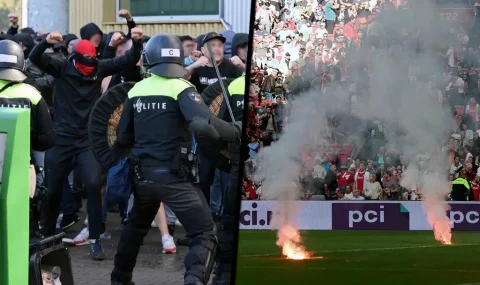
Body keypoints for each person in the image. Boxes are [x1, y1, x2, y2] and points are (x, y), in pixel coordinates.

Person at [110, 34, 242, 285]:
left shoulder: (137, 90)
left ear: (149, 59)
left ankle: (120, 279)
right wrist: (234, 130)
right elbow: (203, 125)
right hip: (174, 177)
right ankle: (193, 279)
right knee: (204, 232)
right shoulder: (181, 88)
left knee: (134, 230)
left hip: (142, 177)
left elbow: (123, 136)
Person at [31, 28, 144, 260]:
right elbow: (34, 57)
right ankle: (48, 237)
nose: (88, 70)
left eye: (92, 65)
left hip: (87, 139)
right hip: (61, 138)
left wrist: (138, 41)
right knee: (52, 191)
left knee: (93, 185)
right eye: (85, 66)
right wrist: (44, 42)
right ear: (76, 59)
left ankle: (95, 239)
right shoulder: (61, 67)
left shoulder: (99, 66)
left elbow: (129, 58)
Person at [0, 39, 55, 236]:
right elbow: (48, 140)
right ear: (21, 65)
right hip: (22, 168)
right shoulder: (32, 94)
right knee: (26, 220)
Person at [212, 33, 248, 283]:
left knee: (230, 218)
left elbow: (220, 127)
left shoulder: (234, 86)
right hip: (273, 165)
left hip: (238, 162)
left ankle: (224, 272)